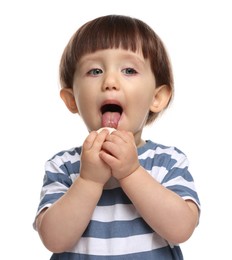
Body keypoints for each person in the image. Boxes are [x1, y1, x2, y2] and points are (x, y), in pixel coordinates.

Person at [33, 14, 200, 259]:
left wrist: (131, 173)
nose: (110, 82)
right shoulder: (65, 167)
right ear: (72, 100)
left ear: (157, 97)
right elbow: (54, 239)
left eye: (129, 70)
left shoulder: (167, 161)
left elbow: (181, 229)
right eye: (95, 70)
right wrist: (88, 181)